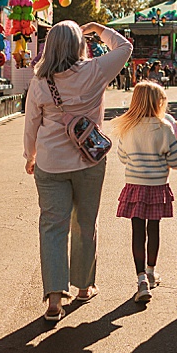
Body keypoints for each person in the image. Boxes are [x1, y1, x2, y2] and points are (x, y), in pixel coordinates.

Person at [24, 20, 133, 322]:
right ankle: (84, 287)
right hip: (89, 160)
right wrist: (99, 29)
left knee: (52, 226)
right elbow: (125, 47)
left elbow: (32, 121)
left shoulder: (39, 81)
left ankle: (55, 298)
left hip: (50, 162)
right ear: (78, 44)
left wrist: (30, 155)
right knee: (85, 222)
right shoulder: (96, 71)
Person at [113, 80, 177, 303]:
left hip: (134, 186)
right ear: (158, 103)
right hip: (156, 186)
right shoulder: (164, 128)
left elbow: (123, 157)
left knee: (137, 232)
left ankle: (141, 279)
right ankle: (151, 271)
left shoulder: (127, 128)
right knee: (153, 229)